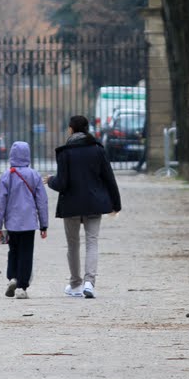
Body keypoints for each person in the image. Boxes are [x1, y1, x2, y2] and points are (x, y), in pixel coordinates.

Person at [46, 115, 121, 299]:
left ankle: (75, 283)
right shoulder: (97, 150)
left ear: (71, 129)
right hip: (94, 203)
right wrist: (116, 204)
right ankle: (89, 282)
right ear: (87, 129)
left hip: (71, 204)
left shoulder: (65, 153)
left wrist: (50, 181)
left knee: (73, 245)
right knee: (92, 242)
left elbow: (62, 183)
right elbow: (109, 178)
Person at [0, 141, 48, 299]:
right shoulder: (34, 175)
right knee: (26, 253)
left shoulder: (6, 175)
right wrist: (44, 225)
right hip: (29, 223)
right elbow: (42, 202)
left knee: (13, 251)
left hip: (11, 223)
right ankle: (22, 287)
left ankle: (12, 277)